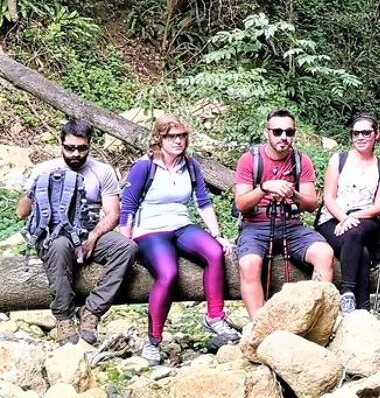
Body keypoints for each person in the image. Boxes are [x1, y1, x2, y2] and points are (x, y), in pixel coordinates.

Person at [120, 115, 240, 363]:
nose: (178, 141)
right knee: (168, 272)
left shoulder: (191, 165)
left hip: (182, 225)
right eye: (171, 136)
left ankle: (214, 317)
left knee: (214, 252)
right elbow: (128, 206)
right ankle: (153, 340)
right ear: (159, 138)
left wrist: (217, 234)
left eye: (182, 135)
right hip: (151, 230)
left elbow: (203, 202)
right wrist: (126, 241)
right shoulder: (144, 166)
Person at [17, 120, 135, 345]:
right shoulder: (44, 169)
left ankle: (92, 312)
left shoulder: (102, 171)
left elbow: (113, 213)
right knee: (59, 246)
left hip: (89, 229)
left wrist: (93, 237)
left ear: (90, 145)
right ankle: (64, 317)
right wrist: (40, 186)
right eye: (69, 148)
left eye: (82, 148)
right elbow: (21, 212)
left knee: (126, 248)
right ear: (61, 145)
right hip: (55, 232)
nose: (75, 153)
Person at [233, 109, 336, 316]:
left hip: (292, 225)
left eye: (289, 132)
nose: (283, 137)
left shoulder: (301, 161)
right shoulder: (249, 160)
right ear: (266, 132)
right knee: (249, 264)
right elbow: (241, 204)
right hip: (256, 225)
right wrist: (264, 188)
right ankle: (259, 324)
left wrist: (294, 193)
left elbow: (311, 204)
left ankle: (318, 316)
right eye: (277, 131)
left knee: (324, 253)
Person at [315, 113, 380, 314]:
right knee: (361, 251)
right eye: (356, 133)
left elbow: (379, 206)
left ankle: (347, 292)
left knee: (355, 231)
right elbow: (328, 198)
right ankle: (363, 308)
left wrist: (353, 217)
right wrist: (344, 218)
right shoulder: (338, 159)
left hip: (366, 217)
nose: (360, 137)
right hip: (333, 218)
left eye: (366, 132)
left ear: (376, 135)